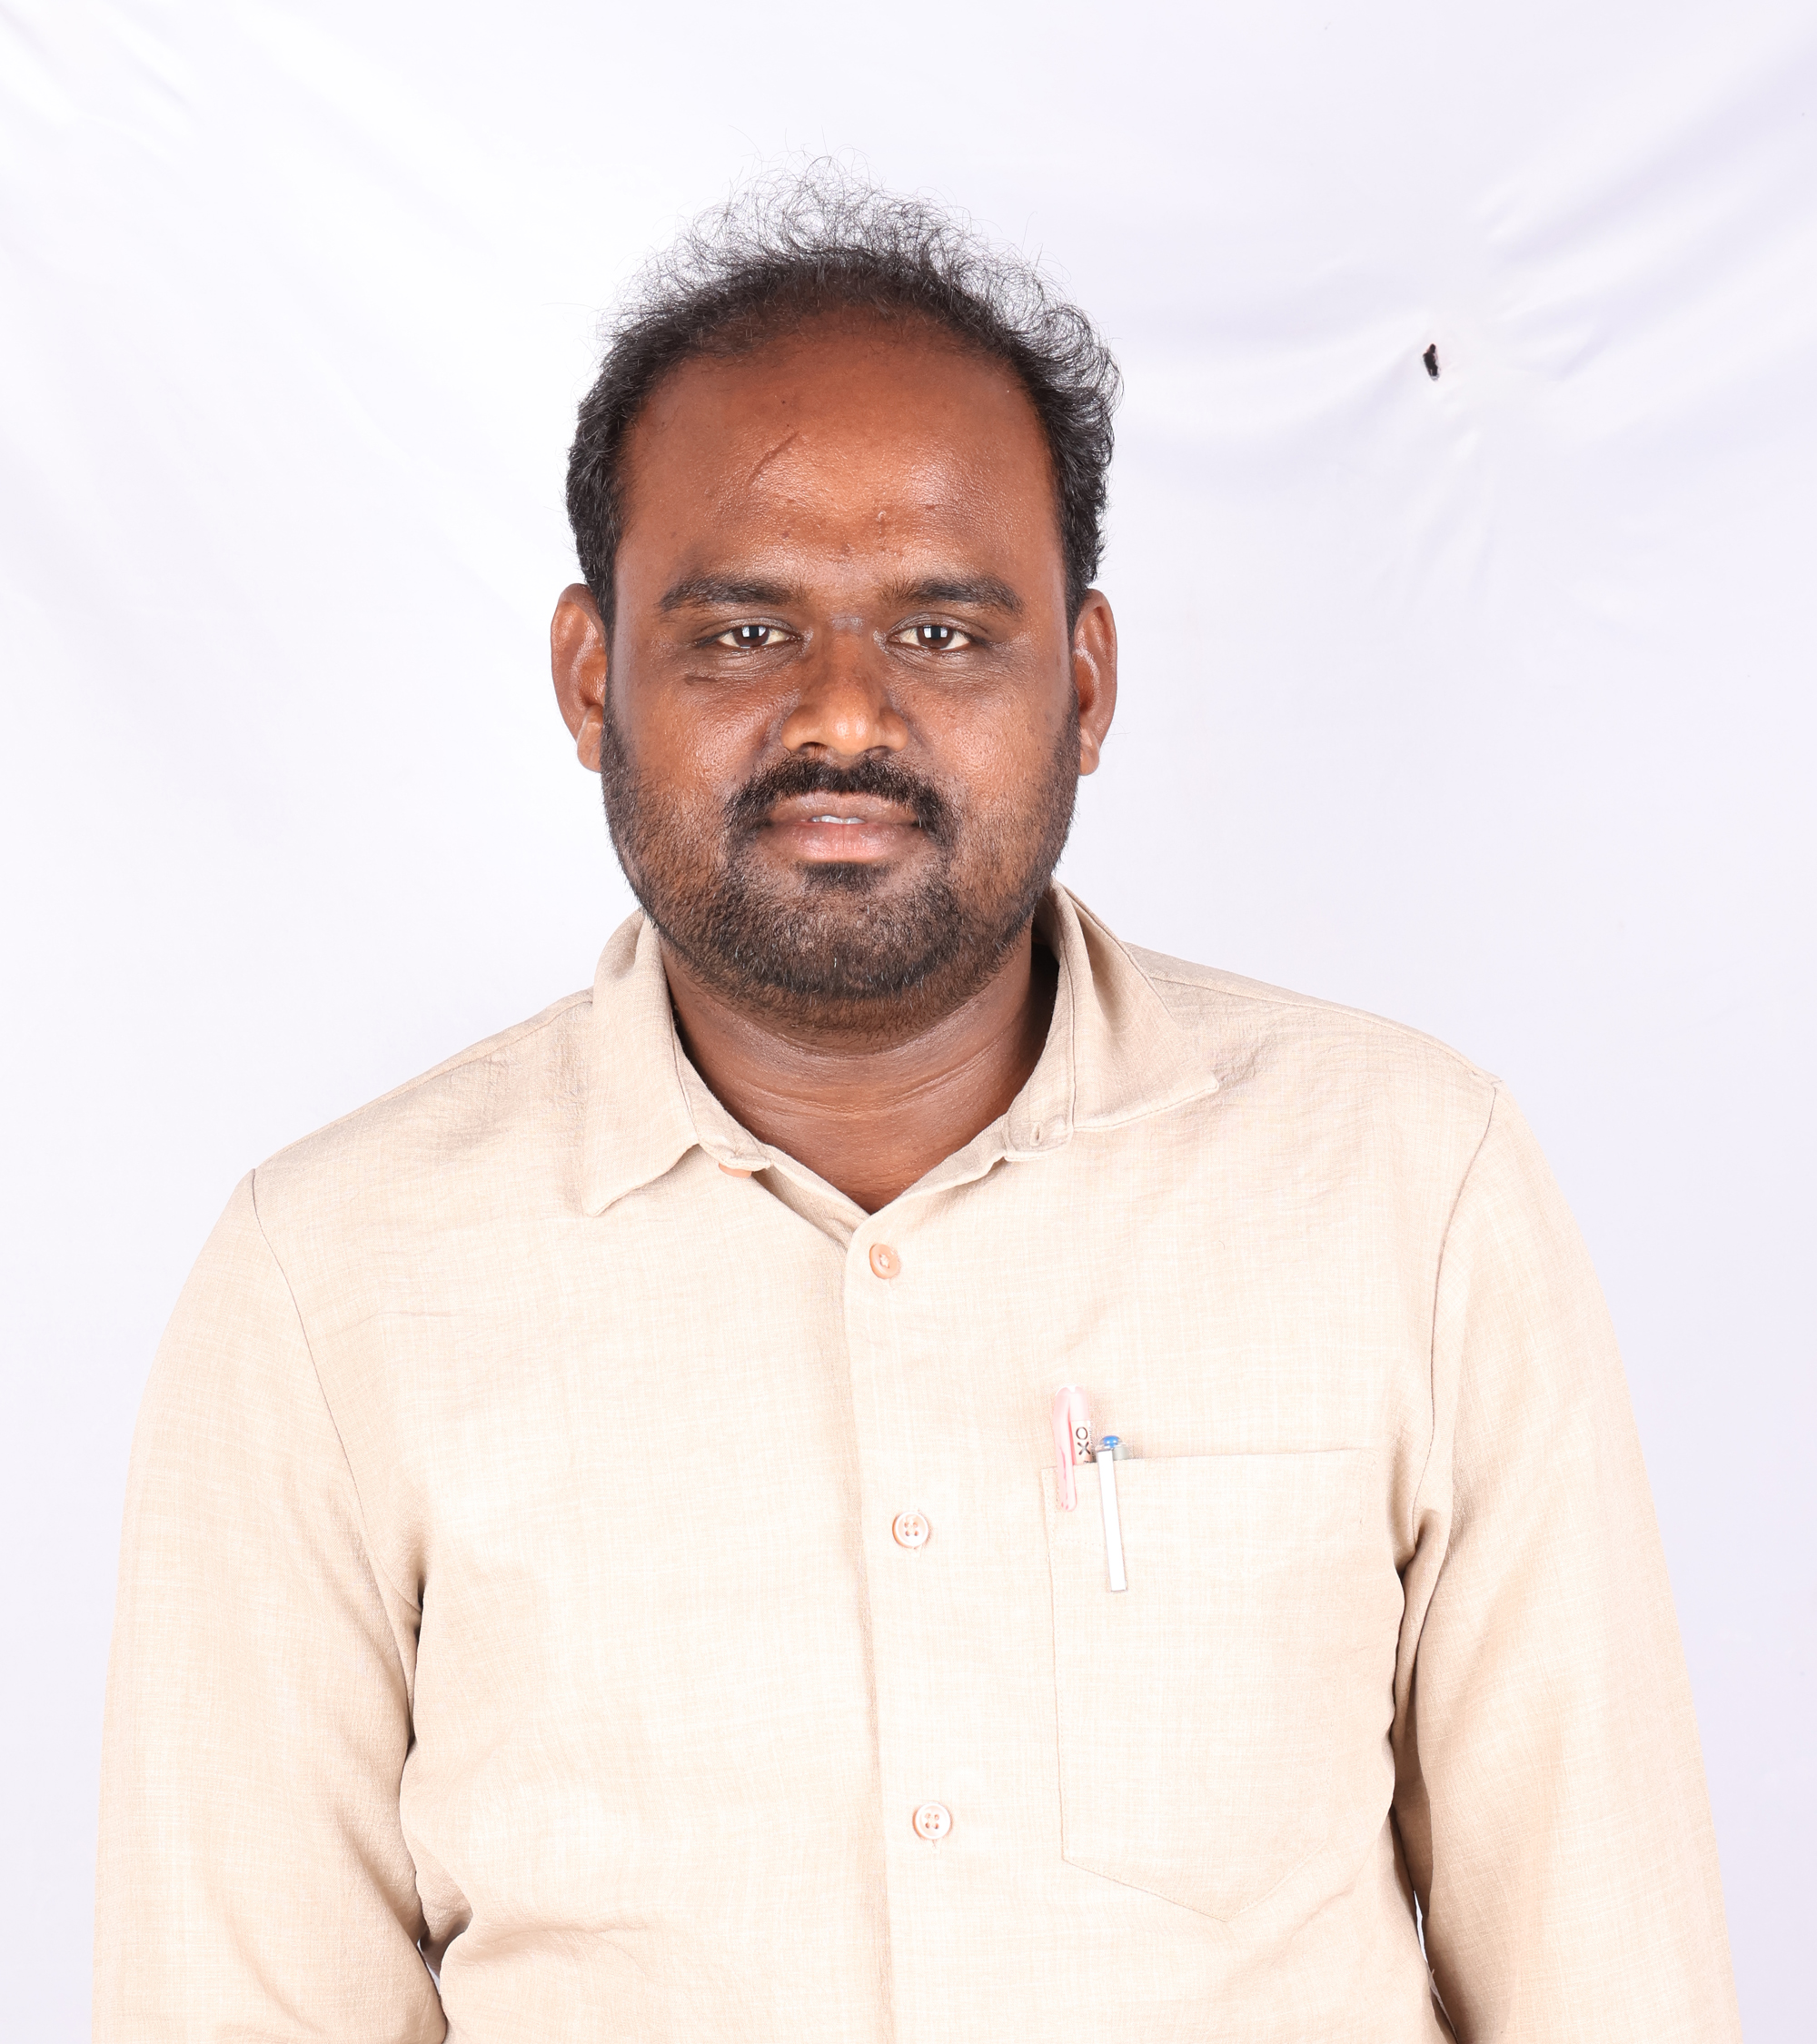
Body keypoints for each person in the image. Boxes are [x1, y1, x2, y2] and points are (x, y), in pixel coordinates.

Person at [95, 172, 1741, 2042]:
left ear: (1084, 683)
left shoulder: (1411, 1188)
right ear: (590, 675)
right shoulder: (327, 1285)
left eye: (943, 632)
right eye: (742, 632)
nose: (843, 718)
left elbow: (1613, 1981)